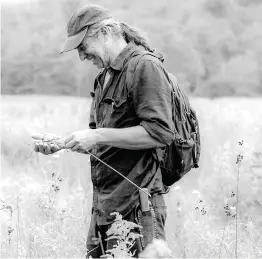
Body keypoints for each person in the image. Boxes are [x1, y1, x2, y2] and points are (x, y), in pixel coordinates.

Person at [34, 4, 174, 258]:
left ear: (105, 32)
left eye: (82, 46)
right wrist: (63, 143)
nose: (82, 56)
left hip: (137, 208)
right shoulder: (103, 77)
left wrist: (97, 136)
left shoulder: (145, 67)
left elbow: (160, 133)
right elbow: (104, 141)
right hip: (105, 207)